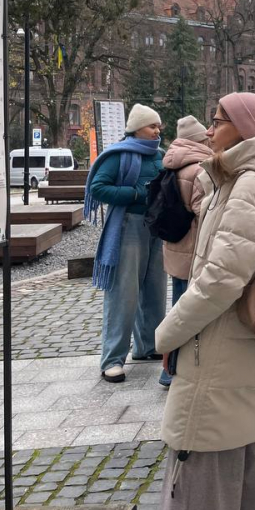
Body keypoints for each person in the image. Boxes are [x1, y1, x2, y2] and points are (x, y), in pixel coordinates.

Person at [155, 92, 255, 510]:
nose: (208, 130)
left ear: (244, 128)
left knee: (199, 486)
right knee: (248, 479)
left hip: (218, 358)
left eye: (217, 121)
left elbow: (221, 280)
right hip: (243, 354)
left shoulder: (248, 185)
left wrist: (166, 335)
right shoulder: (251, 179)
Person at [84, 104, 166, 384]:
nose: (158, 130)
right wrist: (135, 194)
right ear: (136, 128)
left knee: (155, 290)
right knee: (124, 294)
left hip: (157, 228)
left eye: (158, 126)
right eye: (152, 125)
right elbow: (98, 187)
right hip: (129, 226)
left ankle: (148, 346)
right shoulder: (119, 155)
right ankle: (113, 359)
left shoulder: (160, 155)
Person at [157, 115, 212, 388]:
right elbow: (205, 213)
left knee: (177, 307)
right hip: (193, 249)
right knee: (186, 313)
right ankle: (172, 370)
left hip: (175, 246)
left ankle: (169, 368)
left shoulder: (171, 162)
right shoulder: (198, 169)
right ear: (200, 140)